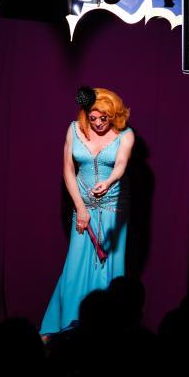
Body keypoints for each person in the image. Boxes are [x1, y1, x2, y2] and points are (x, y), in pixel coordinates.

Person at [40, 87, 135, 335]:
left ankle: (107, 330)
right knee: (74, 268)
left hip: (113, 207)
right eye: (93, 118)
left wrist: (109, 181)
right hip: (83, 207)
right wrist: (80, 208)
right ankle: (67, 326)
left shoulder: (125, 134)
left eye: (104, 118)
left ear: (113, 115)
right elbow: (68, 170)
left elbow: (121, 164)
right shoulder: (74, 129)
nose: (98, 123)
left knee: (109, 267)